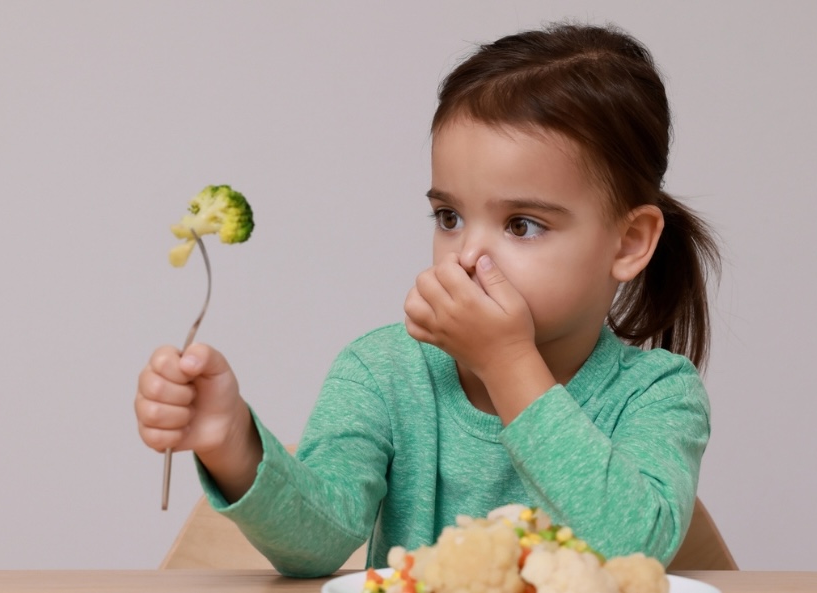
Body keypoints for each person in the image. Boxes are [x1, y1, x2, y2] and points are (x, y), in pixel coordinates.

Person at [135, 21, 719, 578]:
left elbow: (632, 548)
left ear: (629, 241)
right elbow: (317, 546)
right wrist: (231, 441)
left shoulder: (657, 394)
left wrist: (507, 363)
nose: (466, 256)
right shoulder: (383, 371)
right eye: (449, 217)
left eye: (521, 225)